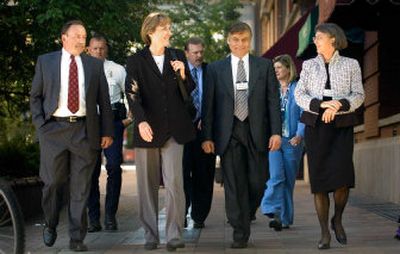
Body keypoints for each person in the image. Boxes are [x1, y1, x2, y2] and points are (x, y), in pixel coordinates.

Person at [30, 20, 114, 252]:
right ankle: (50, 222)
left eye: (84, 36)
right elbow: (35, 96)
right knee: (52, 183)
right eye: (76, 35)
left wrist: (107, 131)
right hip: (53, 130)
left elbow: (104, 102)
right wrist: (41, 126)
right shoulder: (46, 62)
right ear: (63, 38)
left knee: (81, 188)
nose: (81, 39)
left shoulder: (94, 66)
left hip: (84, 132)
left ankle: (77, 238)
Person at [201, 22, 282, 249]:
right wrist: (207, 137)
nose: (240, 44)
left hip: (256, 132)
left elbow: (273, 102)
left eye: (244, 40)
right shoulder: (215, 69)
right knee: (234, 185)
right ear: (228, 40)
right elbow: (209, 106)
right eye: (235, 40)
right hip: (229, 133)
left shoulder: (264, 66)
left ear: (250, 41)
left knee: (258, 181)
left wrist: (276, 132)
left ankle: (245, 213)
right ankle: (239, 232)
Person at [125, 12, 195, 251]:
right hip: (148, 130)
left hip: (175, 129)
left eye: (169, 28)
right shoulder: (136, 60)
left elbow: (188, 93)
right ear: (150, 32)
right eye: (164, 28)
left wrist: (183, 75)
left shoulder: (176, 55)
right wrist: (141, 122)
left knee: (175, 182)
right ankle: (150, 235)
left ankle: (175, 234)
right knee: (147, 185)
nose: (169, 32)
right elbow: (132, 95)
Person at [294, 23, 365, 249]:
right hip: (316, 127)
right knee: (320, 183)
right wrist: (321, 105)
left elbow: (359, 94)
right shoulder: (308, 65)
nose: (315, 41)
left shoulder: (351, 64)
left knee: (343, 180)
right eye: (314, 38)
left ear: (333, 39)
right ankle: (324, 232)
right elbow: (299, 94)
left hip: (342, 126)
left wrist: (339, 105)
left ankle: (338, 219)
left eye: (319, 38)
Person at [86, 34, 131, 232]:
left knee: (113, 167)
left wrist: (129, 119)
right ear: (88, 49)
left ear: (107, 49)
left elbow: (131, 94)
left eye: (102, 48)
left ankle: (110, 216)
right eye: (95, 48)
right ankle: (93, 218)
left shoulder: (117, 70)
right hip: (89, 124)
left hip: (113, 122)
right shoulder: (82, 68)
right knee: (91, 171)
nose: (98, 52)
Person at [261, 54, 304, 231]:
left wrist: (300, 135)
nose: (276, 71)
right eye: (275, 68)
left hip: (293, 141)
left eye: (279, 67)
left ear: (288, 68)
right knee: (276, 175)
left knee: (288, 182)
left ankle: (284, 219)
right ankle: (270, 207)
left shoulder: (298, 88)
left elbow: (305, 113)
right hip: (275, 139)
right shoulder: (272, 90)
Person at [183, 37, 216, 229]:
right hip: (184, 131)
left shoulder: (210, 71)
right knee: (182, 173)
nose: (198, 56)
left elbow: (217, 99)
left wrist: (208, 118)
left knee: (204, 175)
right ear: (186, 53)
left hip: (205, 131)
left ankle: (199, 216)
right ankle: (182, 211)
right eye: (194, 52)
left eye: (201, 52)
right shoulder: (178, 72)